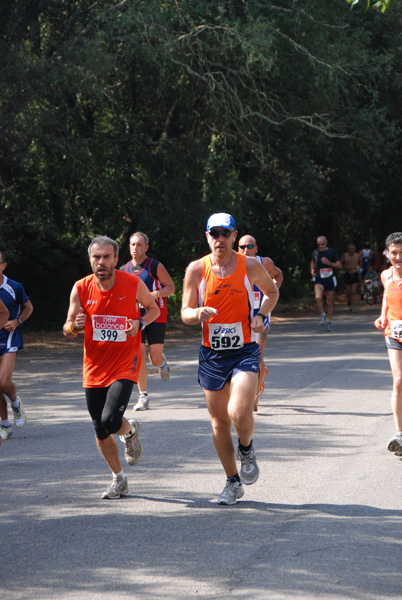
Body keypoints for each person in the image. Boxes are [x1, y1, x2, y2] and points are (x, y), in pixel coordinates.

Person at [181, 213, 279, 505]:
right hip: (212, 354)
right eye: (215, 234)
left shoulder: (249, 265)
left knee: (239, 411)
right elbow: (185, 312)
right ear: (207, 236)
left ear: (234, 236)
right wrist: (196, 314)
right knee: (219, 424)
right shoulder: (196, 270)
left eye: (225, 234)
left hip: (245, 349)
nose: (220, 239)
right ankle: (232, 482)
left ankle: (246, 448)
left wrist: (261, 315)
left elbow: (271, 291)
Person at [63, 235, 160, 499]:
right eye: (97, 257)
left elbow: (153, 310)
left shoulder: (132, 283)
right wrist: (74, 326)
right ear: (90, 260)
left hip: (124, 363)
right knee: (99, 427)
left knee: (109, 420)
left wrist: (139, 324)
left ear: (116, 259)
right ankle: (118, 478)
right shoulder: (81, 288)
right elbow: (67, 328)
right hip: (93, 367)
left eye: (107, 257)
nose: (102, 262)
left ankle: (128, 431)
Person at [120, 232, 175, 411]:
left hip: (156, 315)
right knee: (139, 356)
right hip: (135, 318)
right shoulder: (123, 269)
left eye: (139, 245)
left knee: (154, 357)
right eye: (132, 245)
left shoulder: (154, 266)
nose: (135, 248)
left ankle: (162, 363)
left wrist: (155, 294)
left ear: (146, 247)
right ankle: (143, 396)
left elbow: (171, 288)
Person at [237, 234, 283, 411]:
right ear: (237, 248)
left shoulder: (265, 263)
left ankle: (254, 396)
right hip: (241, 314)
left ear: (256, 248)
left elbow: (278, 275)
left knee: (257, 352)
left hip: (261, 312)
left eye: (250, 246)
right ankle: (260, 373)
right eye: (242, 247)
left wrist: (272, 291)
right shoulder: (232, 263)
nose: (246, 250)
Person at [0, 252, 34, 442]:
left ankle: (15, 403)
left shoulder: (14, 287)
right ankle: (4, 424)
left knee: (3, 382)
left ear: (3, 265)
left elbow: (29, 307)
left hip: (9, 337)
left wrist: (17, 321)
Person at [374, 232, 402, 457]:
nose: (398, 256)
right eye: (394, 252)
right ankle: (400, 433)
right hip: (393, 332)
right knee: (399, 381)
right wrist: (382, 316)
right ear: (387, 253)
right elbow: (386, 295)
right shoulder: (386, 275)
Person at [311, 236, 342, 332]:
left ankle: (329, 321)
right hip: (319, 278)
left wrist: (330, 263)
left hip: (329, 279)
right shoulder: (315, 252)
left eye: (322, 244)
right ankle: (322, 314)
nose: (320, 246)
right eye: (318, 244)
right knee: (318, 297)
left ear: (326, 243)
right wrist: (312, 270)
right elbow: (312, 261)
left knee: (329, 302)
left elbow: (339, 265)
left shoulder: (331, 252)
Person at [341, 243, 360, 312]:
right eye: (350, 249)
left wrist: (359, 268)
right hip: (347, 274)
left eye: (352, 249)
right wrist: (344, 267)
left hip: (355, 273)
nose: (351, 250)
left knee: (353, 290)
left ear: (354, 249)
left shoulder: (357, 255)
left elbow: (361, 262)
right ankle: (349, 299)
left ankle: (352, 306)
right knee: (348, 291)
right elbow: (340, 263)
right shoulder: (345, 255)